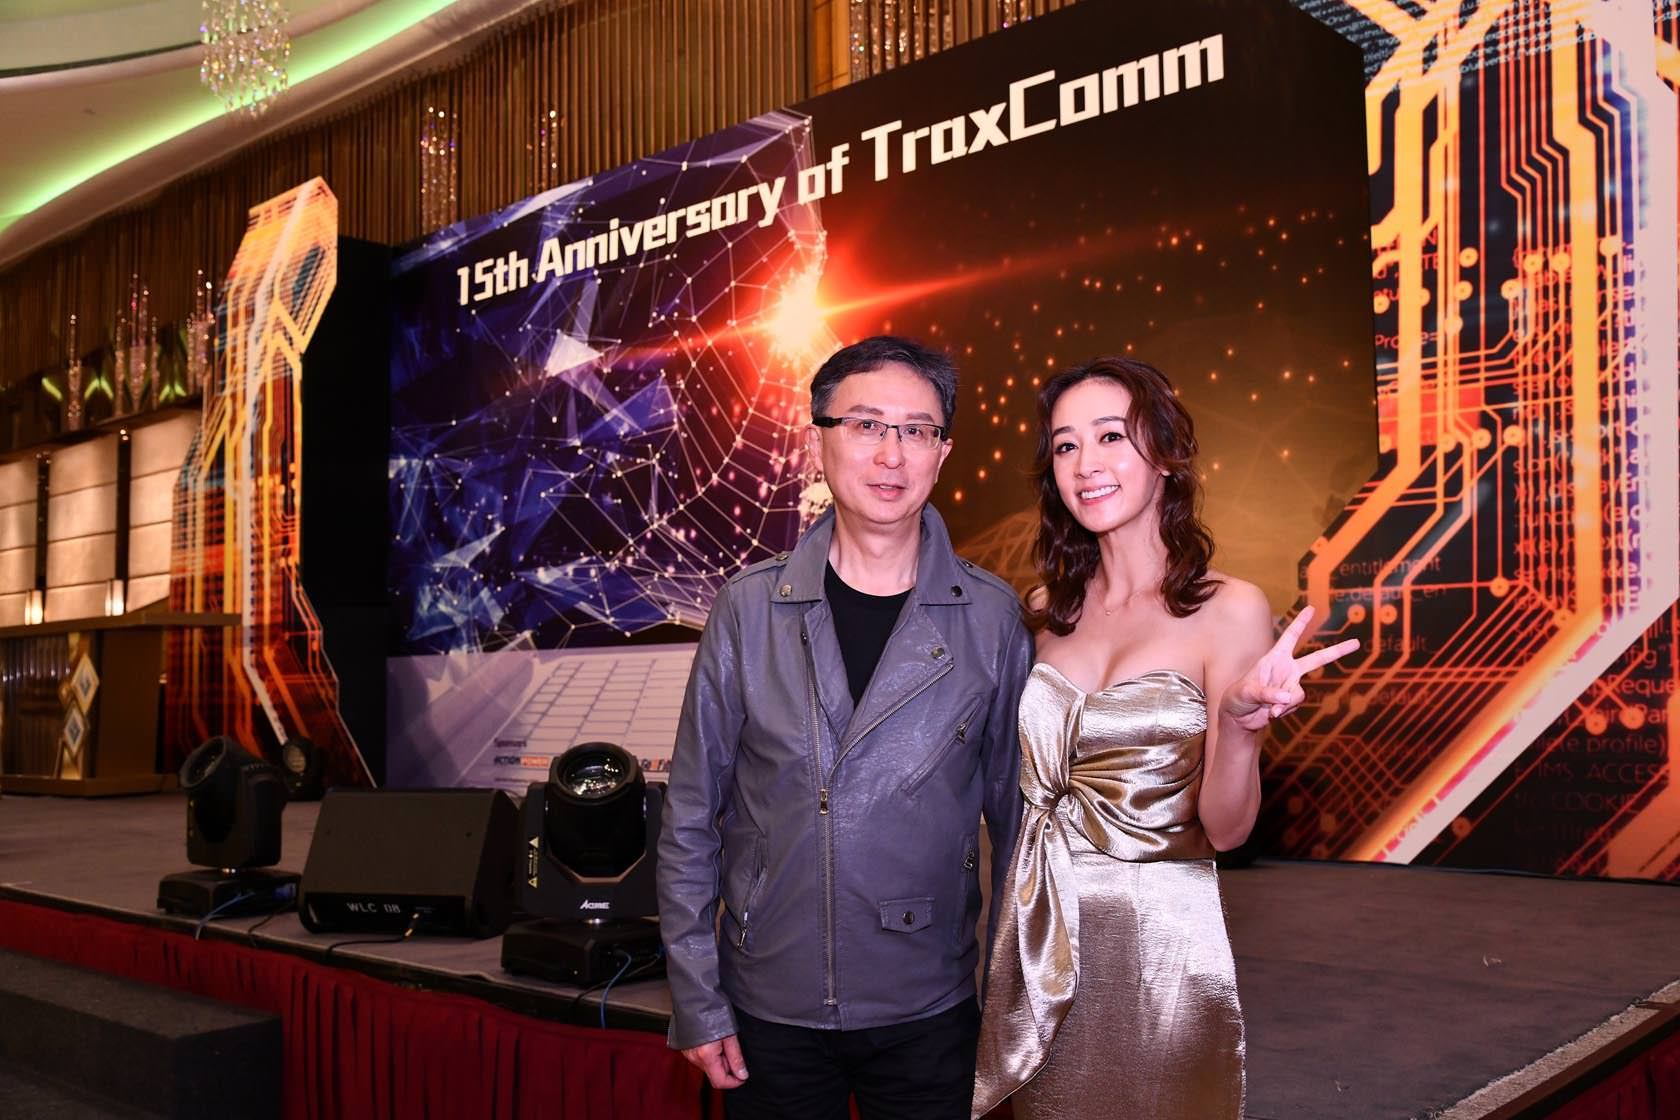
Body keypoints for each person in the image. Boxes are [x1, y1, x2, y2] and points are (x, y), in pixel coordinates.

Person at [972, 357, 1360, 1119]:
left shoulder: (1228, 608)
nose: (1086, 463)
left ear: (1165, 454)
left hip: (1161, 956)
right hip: (1041, 937)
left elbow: (1227, 829)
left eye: (1111, 436)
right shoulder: (1044, 610)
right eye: (1065, 445)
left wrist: (1240, 728)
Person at [659, 335, 1033, 1120]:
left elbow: (1019, 829)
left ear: (943, 452)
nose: (892, 454)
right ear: (819, 440)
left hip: (928, 1005)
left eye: (917, 430)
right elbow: (690, 817)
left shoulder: (992, 619)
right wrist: (697, 997)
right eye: (866, 425)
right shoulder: (747, 610)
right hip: (770, 1005)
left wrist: (1008, 1002)